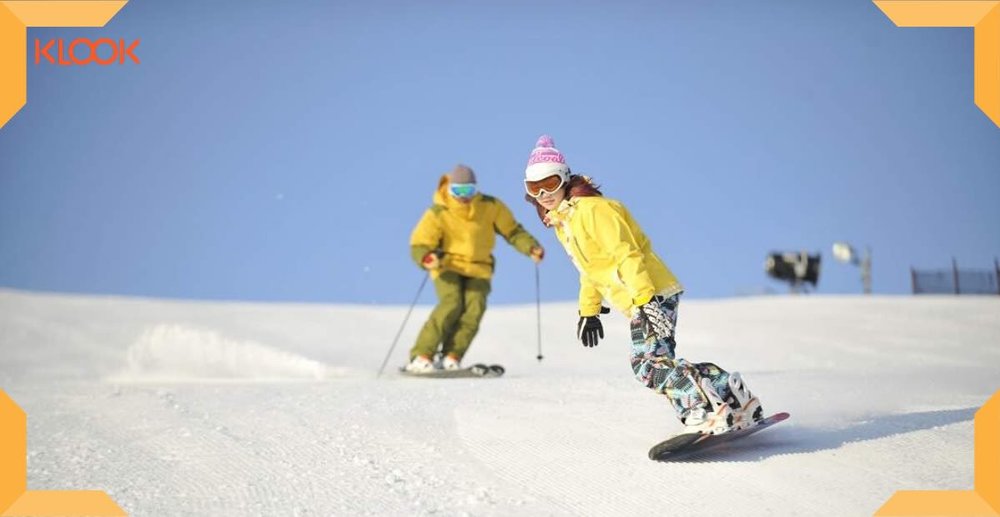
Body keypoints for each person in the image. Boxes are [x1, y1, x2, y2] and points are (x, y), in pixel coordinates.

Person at [521, 135, 764, 434]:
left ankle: (699, 410)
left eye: (550, 183)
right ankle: (733, 394)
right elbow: (590, 270)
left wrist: (645, 300)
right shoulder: (565, 222)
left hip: (650, 291)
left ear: (565, 179)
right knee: (660, 361)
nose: (544, 194)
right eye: (534, 188)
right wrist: (589, 311)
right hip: (645, 295)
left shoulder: (593, 210)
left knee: (647, 365)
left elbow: (626, 253)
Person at [407, 164, 544, 373]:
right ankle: (422, 356)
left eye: (468, 190)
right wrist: (426, 257)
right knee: (451, 303)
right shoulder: (439, 211)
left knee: (474, 310)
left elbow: (513, 231)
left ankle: (452, 356)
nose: (463, 196)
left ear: (475, 188)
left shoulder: (490, 206)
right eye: (458, 191)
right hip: (448, 266)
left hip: (479, 268)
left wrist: (530, 247)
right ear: (450, 189)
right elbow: (420, 242)